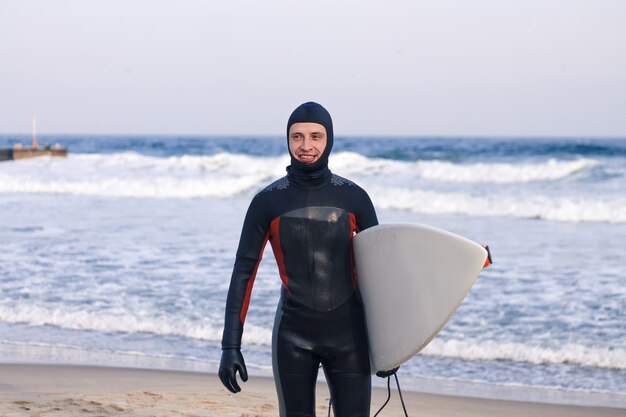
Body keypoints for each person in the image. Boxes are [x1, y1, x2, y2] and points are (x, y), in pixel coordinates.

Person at [219, 102, 378, 416]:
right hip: (293, 338)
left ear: (329, 139)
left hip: (351, 338)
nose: (306, 146)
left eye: (316, 136)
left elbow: (382, 272)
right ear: (287, 140)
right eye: (297, 137)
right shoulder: (267, 202)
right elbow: (243, 274)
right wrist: (229, 346)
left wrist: (390, 342)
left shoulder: (354, 197)